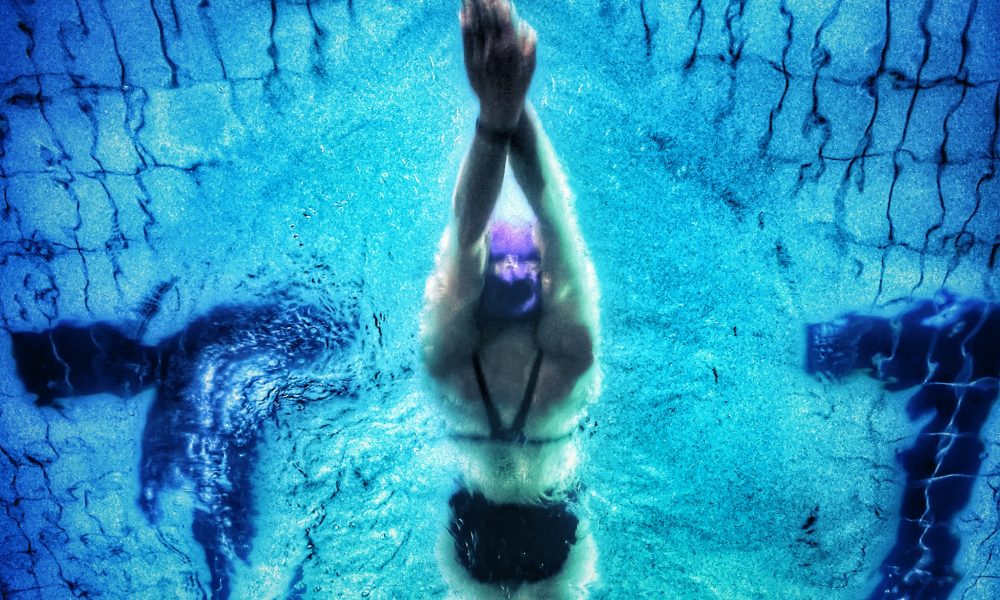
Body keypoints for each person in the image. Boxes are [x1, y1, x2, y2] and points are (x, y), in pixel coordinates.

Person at [420, 0, 601, 597]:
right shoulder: (568, 356)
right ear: (543, 281)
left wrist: (495, 117)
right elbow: (553, 212)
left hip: (471, 528)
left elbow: (467, 233)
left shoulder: (447, 362)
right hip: (557, 528)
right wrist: (506, 112)